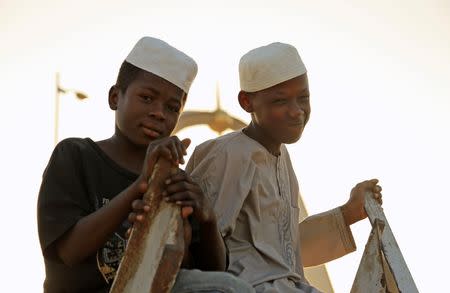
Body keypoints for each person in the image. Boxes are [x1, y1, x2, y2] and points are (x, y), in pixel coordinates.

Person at [37, 36, 254, 293]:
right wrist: (141, 185)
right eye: (147, 98)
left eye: (172, 107)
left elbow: (212, 275)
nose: (159, 113)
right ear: (115, 97)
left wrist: (206, 218)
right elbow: (69, 251)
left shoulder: (175, 183)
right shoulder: (75, 155)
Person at [183, 42, 383, 292]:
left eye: (303, 98)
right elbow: (198, 243)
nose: (296, 111)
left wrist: (348, 213)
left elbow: (282, 251)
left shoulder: (281, 156)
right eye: (280, 101)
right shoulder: (227, 154)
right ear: (247, 102)